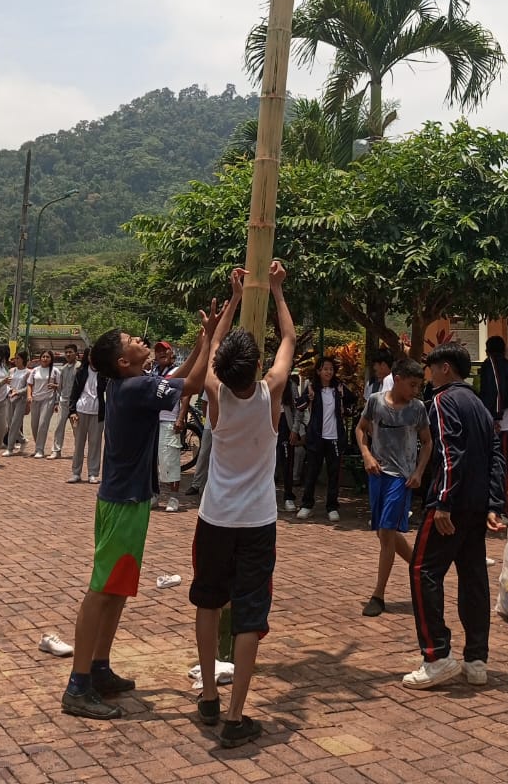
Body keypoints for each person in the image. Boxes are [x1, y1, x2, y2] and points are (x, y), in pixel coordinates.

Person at [61, 302, 221, 720]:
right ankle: (77, 685)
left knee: (116, 589)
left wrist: (203, 340)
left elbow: (178, 378)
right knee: (101, 589)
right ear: (123, 361)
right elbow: (193, 383)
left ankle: (98, 668)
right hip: (122, 503)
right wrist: (211, 339)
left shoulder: (133, 384)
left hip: (126, 499)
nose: (140, 340)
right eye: (132, 340)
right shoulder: (133, 389)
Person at [191, 261, 296, 749]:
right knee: (251, 614)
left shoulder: (215, 395)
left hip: (214, 518)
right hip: (256, 522)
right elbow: (289, 340)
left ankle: (209, 696)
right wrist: (276, 291)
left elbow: (215, 348)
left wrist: (233, 297)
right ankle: (236, 716)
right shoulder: (269, 395)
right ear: (257, 368)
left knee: (208, 601)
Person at [403, 345, 505, 689]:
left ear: (445, 368)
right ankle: (476, 660)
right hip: (476, 504)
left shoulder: (443, 400)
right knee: (473, 577)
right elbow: (495, 455)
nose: (428, 376)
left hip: (451, 504)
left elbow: (449, 450)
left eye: (431, 369)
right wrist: (493, 503)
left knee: (422, 570)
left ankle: (437, 656)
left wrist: (443, 501)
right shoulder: (478, 403)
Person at [355, 356, 431, 618]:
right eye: (412, 385)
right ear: (397, 380)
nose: (415, 390)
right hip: (377, 474)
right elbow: (361, 429)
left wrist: (418, 472)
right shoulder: (375, 402)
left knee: (387, 532)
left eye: (418, 386)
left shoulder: (417, 408)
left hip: (402, 478)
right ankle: (420, 568)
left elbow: (427, 442)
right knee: (382, 532)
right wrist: (366, 455)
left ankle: (378, 595)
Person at [297, 355, 356, 523]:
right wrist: (308, 398)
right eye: (325, 369)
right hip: (316, 437)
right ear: (318, 371)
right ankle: (307, 505)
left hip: (335, 437)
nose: (328, 372)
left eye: (331, 369)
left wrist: (345, 410)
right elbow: (299, 405)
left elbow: (353, 403)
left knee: (334, 473)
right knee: (312, 472)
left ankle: (332, 507)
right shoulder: (312, 388)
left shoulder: (339, 388)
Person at [478, 336, 508, 468]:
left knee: (501, 462)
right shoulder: (505, 364)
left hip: (503, 421)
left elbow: (497, 388)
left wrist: (495, 417)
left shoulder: (492, 363)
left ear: (487, 351)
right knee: (506, 461)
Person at [154, 342, 184, 511]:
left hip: (170, 420)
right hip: (154, 421)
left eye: (164, 350)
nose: (161, 353)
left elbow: (185, 395)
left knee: (171, 460)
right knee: (154, 461)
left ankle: (174, 498)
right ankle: (154, 495)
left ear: (171, 352)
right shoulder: (154, 372)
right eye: (158, 351)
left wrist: (180, 418)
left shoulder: (177, 371)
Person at [69, 348, 106, 484]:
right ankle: (76, 472)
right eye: (90, 355)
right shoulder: (81, 372)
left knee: (95, 444)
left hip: (97, 412)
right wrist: (72, 411)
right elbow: (74, 392)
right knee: (79, 443)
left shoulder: (104, 373)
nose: (93, 357)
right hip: (81, 411)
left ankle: (93, 473)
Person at [276, 373, 307, 512]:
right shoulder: (265, 382)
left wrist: (295, 429)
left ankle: (288, 496)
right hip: (269, 424)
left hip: (285, 425)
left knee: (287, 463)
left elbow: (298, 409)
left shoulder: (290, 385)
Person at [51, 344, 80, 460]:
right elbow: (61, 387)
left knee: (76, 428)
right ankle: (56, 451)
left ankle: (78, 451)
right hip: (63, 402)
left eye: (70, 352)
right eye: (66, 352)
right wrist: (57, 400)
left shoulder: (80, 367)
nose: (68, 354)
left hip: (76, 403)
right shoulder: (63, 369)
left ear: (76, 353)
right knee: (59, 427)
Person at [28, 350, 59, 457]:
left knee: (42, 425)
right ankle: (38, 446)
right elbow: (29, 384)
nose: (45, 359)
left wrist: (56, 402)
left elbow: (60, 386)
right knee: (34, 425)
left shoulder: (55, 371)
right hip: (35, 400)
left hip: (48, 399)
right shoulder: (35, 370)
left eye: (47, 357)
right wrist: (29, 396)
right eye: (43, 356)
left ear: (51, 359)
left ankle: (39, 450)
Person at [2, 349, 30, 457]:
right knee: (9, 423)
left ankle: (10, 448)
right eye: (15, 358)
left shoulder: (28, 372)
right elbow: (7, 383)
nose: (16, 360)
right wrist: (10, 390)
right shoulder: (11, 371)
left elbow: (28, 387)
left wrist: (18, 392)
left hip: (21, 400)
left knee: (15, 423)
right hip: (10, 398)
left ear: (23, 359)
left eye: (18, 358)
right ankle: (23, 440)